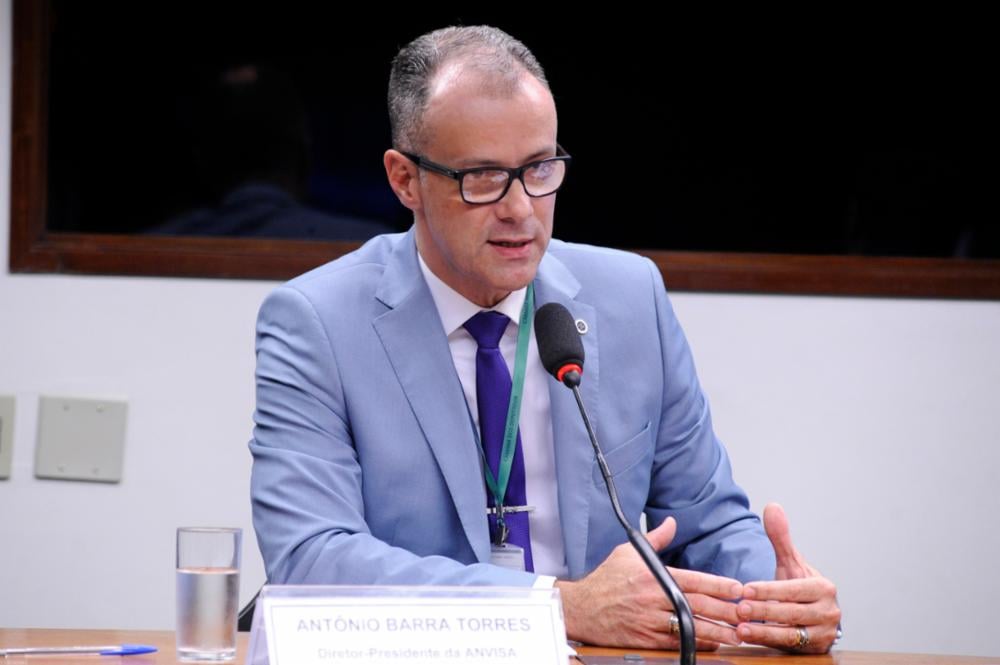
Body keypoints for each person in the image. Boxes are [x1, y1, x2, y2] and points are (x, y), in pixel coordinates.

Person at [249, 25, 840, 653]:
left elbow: (709, 523)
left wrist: (774, 605)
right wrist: (555, 606)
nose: (521, 210)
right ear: (404, 181)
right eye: (481, 177)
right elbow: (311, 559)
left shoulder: (629, 297)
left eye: (539, 169)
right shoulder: (317, 322)